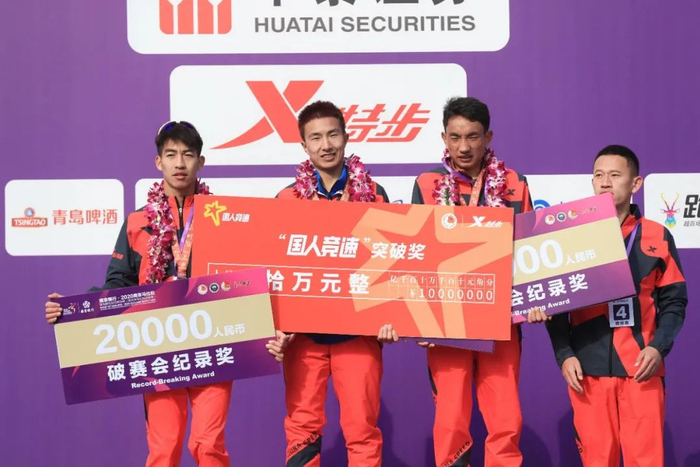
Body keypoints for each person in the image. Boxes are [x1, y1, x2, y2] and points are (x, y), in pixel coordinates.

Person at [45, 121, 289, 466]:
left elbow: (248, 281)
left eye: (187, 155)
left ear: (200, 162)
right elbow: (118, 283)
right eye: (171, 155)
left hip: (215, 343)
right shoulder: (137, 222)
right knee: (164, 448)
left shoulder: (225, 217)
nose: (180, 163)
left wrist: (272, 327)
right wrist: (72, 309)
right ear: (158, 162)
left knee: (208, 445)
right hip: (157, 346)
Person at [540, 145, 687, 466]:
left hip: (642, 369)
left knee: (646, 460)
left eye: (615, 175)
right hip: (587, 372)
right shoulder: (571, 235)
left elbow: (675, 302)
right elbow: (555, 303)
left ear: (636, 183)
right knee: (597, 460)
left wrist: (658, 348)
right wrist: (564, 354)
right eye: (598, 175)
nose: (605, 182)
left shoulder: (657, 235)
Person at [411, 97, 536, 467]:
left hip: (501, 323)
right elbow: (416, 254)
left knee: (506, 419)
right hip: (447, 324)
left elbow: (529, 251)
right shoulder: (427, 183)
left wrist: (537, 299)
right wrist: (419, 318)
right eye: (455, 137)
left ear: (488, 137)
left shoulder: (514, 183)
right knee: (450, 421)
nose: (463, 147)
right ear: (444, 139)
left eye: (472, 137)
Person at [276, 100, 399, 467]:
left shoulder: (375, 193)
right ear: (304, 145)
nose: (326, 145)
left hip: (358, 332)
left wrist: (393, 315)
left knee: (362, 428)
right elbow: (272, 267)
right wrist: (276, 324)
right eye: (315, 138)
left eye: (332, 135)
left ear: (346, 137)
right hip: (304, 335)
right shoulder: (285, 199)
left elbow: (393, 263)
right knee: (302, 429)